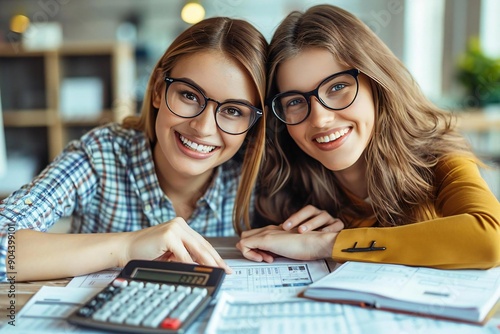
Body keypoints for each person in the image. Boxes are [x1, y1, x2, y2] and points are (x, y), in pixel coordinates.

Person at [0, 16, 267, 282]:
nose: (203, 127)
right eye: (189, 95)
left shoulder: (258, 174)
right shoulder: (101, 155)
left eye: (233, 111)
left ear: (254, 124)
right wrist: (125, 247)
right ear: (158, 91)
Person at [237, 4, 500, 269]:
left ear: (376, 83)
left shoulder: (437, 157)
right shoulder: (283, 181)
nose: (320, 119)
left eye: (337, 87)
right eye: (294, 101)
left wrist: (327, 244)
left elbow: (491, 240)